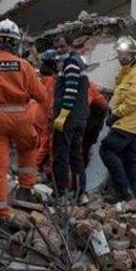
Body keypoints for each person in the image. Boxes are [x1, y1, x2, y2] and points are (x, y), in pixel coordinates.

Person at [0, 19, 48, 226]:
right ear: (16, 43)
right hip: (21, 117)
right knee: (28, 146)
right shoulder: (24, 66)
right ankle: (26, 188)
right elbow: (41, 96)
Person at [100, 36, 136, 201]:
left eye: (126, 54)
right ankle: (134, 197)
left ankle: (123, 191)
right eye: (120, 53)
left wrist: (115, 114)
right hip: (128, 124)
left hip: (127, 123)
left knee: (106, 150)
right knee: (128, 161)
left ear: (133, 54)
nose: (122, 57)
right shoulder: (124, 74)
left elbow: (133, 101)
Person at [52, 35, 89, 203]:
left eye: (62, 46)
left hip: (69, 118)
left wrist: (63, 114)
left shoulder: (71, 64)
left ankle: (61, 193)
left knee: (62, 154)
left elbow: (70, 91)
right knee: (76, 155)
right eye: (57, 48)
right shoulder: (77, 62)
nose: (60, 50)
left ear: (69, 45)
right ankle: (81, 193)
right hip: (79, 117)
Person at [34, 49, 59, 176]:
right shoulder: (51, 81)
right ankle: (34, 169)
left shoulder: (41, 78)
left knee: (38, 144)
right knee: (45, 145)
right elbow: (50, 101)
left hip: (36, 113)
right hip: (44, 116)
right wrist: (51, 117)